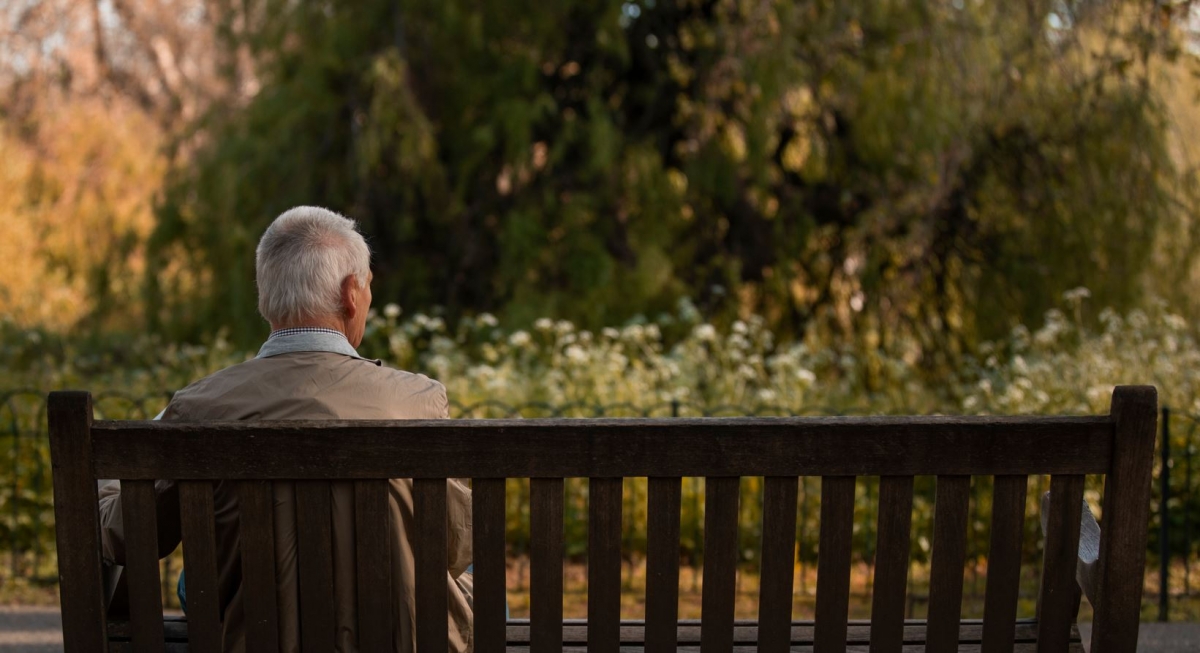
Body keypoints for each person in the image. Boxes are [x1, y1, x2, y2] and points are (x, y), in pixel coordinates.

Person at [96, 206, 474, 652]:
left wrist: (103, 479)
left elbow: (128, 537)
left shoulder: (201, 408)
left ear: (264, 297)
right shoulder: (417, 401)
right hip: (399, 638)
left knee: (190, 583)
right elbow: (455, 549)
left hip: (253, 637)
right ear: (352, 293)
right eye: (369, 286)